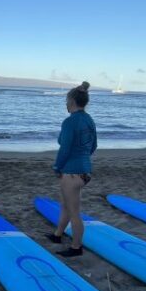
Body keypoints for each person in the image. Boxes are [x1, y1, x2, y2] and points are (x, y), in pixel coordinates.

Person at [46, 81, 97, 257]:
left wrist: (57, 167)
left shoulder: (70, 122)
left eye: (67, 100)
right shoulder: (89, 120)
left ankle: (76, 247)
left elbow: (65, 148)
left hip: (71, 173)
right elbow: (93, 146)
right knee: (66, 205)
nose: (66, 104)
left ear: (72, 101)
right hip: (84, 171)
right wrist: (82, 160)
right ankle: (57, 235)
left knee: (74, 212)